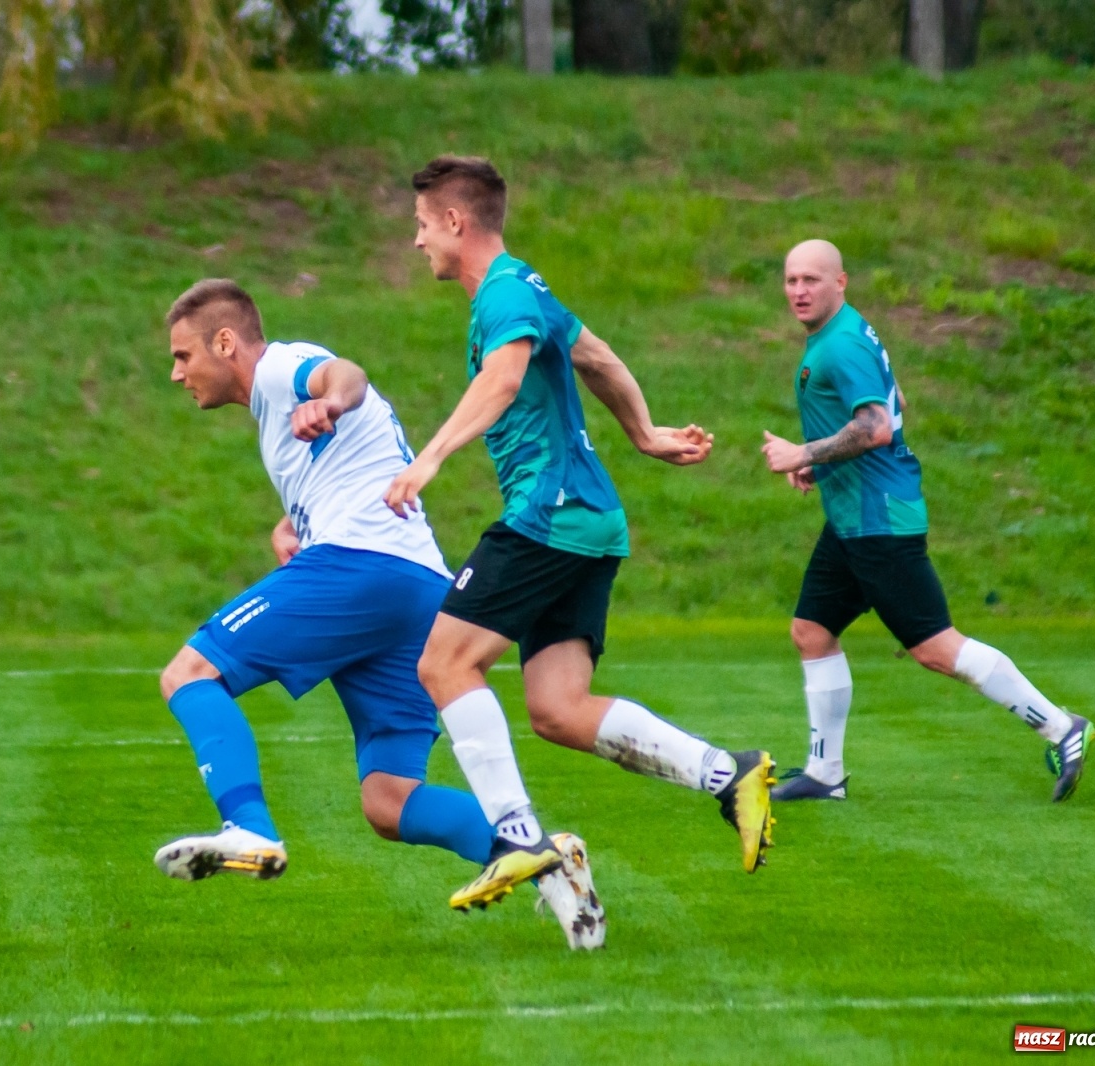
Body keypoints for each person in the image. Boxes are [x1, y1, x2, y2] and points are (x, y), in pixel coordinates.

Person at [153, 278, 604, 949]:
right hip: (418, 590)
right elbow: (355, 462)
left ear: (225, 343)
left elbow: (347, 375)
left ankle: (248, 828)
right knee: (389, 799)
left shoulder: (280, 368)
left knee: (189, 674)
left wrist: (330, 398)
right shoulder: (274, 412)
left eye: (183, 355)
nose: (176, 373)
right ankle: (544, 854)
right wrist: (295, 521)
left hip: (362, 569)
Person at [383, 156, 778, 915]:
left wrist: (430, 457)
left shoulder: (504, 294)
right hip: (590, 521)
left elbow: (503, 379)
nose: (418, 240)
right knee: (558, 708)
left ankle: (516, 835)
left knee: (444, 663)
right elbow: (596, 357)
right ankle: (728, 773)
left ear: (456, 222)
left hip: (550, 515)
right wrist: (644, 433)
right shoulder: (527, 287)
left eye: (423, 225)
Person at [760, 239, 1094, 803]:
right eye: (791, 279)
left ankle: (1062, 727)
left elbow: (877, 426)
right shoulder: (847, 333)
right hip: (853, 517)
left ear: (841, 281)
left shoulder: (840, 345)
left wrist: (805, 453)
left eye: (811, 280)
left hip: (879, 520)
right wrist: (822, 465)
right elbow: (897, 403)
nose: (798, 290)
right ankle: (824, 773)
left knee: (935, 647)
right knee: (811, 632)